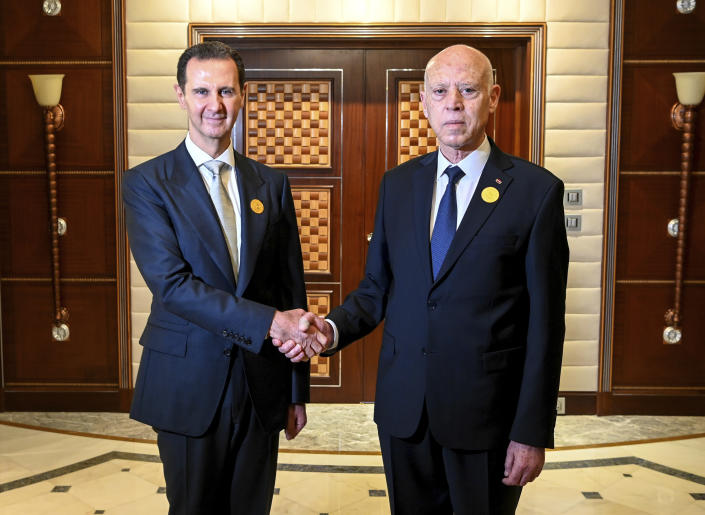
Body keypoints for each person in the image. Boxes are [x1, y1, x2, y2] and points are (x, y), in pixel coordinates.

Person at [276, 44, 569, 514]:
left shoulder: (535, 192)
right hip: (404, 414)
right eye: (440, 91)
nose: (453, 102)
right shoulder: (398, 184)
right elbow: (376, 290)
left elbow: (546, 324)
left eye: (468, 89)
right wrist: (329, 330)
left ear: (492, 97)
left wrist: (531, 431)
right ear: (424, 102)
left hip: (487, 419)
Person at [123, 41, 326, 515]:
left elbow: (288, 289)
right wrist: (268, 324)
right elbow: (171, 285)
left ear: (243, 96)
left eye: (226, 92)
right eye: (201, 92)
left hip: (261, 385)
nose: (214, 105)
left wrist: (297, 390)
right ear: (180, 95)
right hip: (187, 381)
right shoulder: (147, 183)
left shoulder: (270, 184)